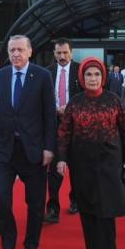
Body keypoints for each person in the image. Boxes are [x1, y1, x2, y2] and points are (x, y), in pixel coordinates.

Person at [56, 57, 125, 249]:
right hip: (81, 162)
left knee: (106, 210)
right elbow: (64, 133)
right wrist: (61, 158)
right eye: (89, 74)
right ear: (82, 77)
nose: (93, 78)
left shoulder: (113, 100)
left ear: (103, 77)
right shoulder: (75, 102)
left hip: (110, 161)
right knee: (88, 208)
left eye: (97, 74)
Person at [0, 35, 56, 249]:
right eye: (12, 50)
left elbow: (49, 116)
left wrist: (49, 147)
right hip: (5, 150)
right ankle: (8, 244)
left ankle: (31, 245)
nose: (15, 54)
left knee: (35, 203)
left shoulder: (43, 76)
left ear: (29, 51)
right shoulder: (2, 75)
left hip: (34, 151)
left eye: (20, 49)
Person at [45, 38, 82, 223]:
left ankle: (76, 199)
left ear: (71, 53)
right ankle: (52, 207)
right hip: (53, 125)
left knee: (76, 166)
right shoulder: (46, 73)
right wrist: (54, 108)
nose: (62, 56)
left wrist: (70, 107)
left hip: (75, 126)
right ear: (54, 53)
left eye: (65, 52)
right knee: (53, 169)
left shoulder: (80, 70)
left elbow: (86, 96)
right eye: (58, 53)